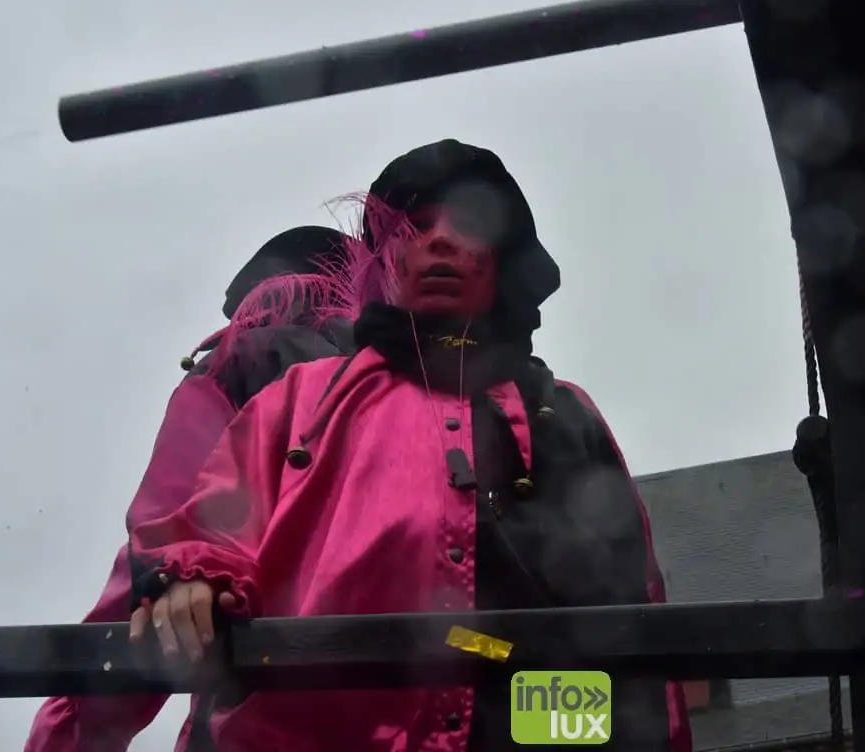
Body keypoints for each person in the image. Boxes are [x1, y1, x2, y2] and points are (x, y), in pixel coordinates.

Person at [128, 139, 692, 751]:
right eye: (416, 227)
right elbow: (209, 527)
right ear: (387, 260)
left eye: (469, 225)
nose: (440, 241)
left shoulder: (563, 412)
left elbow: (628, 620)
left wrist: (551, 732)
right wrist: (192, 579)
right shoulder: (301, 398)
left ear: (502, 261)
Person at [25, 224, 380, 752]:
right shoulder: (420, 386)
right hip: (425, 699)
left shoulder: (238, 366)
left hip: (256, 716)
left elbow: (164, 547)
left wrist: (69, 736)